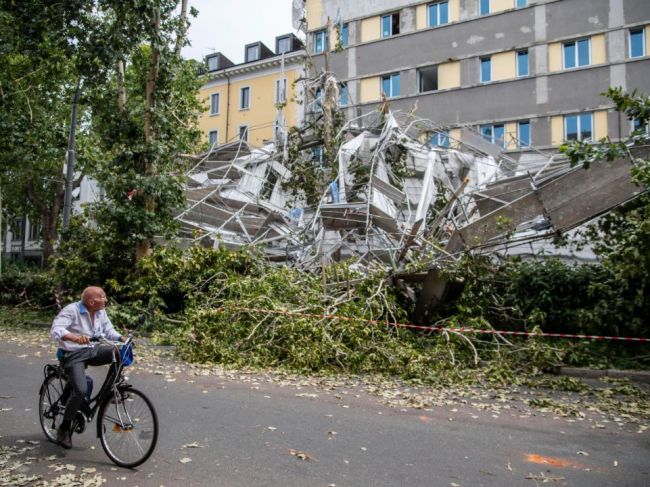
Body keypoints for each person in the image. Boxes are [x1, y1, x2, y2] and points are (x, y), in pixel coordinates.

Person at [50, 286, 125, 449]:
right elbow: (56, 329)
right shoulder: (72, 310)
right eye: (103, 297)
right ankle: (64, 429)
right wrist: (74, 338)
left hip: (92, 350)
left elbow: (109, 330)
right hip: (73, 354)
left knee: (119, 353)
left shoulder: (100, 311)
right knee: (81, 390)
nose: (105, 300)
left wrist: (121, 337)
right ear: (92, 302)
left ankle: (113, 388)